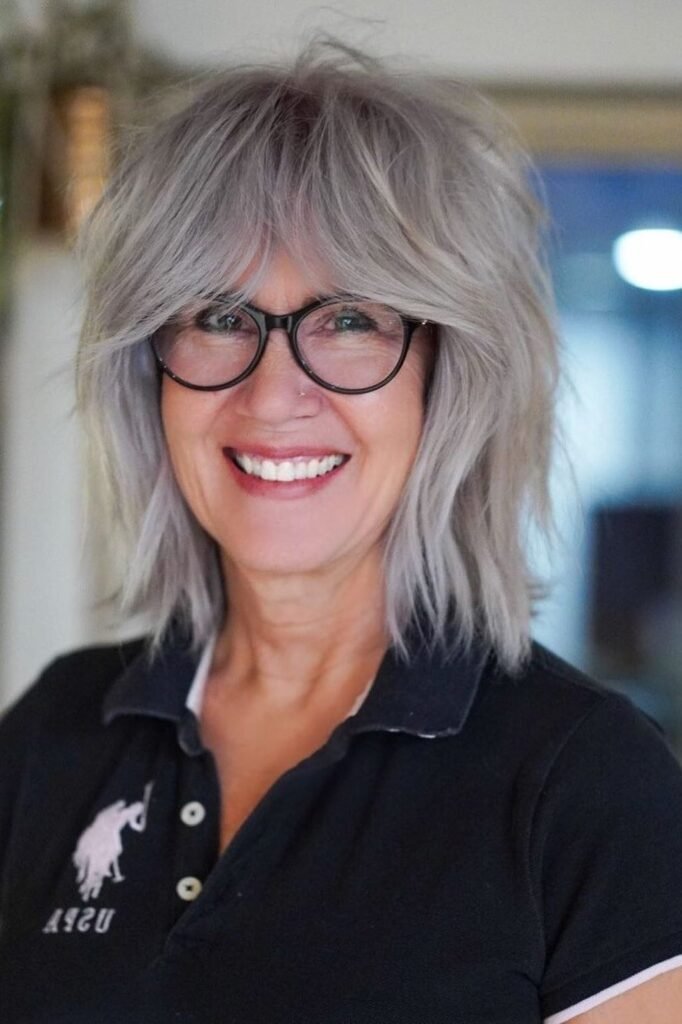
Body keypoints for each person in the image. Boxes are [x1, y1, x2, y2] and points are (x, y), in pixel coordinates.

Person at [1, 40, 682, 1024]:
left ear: (449, 377)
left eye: (352, 319)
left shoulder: (582, 780)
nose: (274, 395)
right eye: (220, 314)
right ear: (148, 367)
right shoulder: (59, 728)